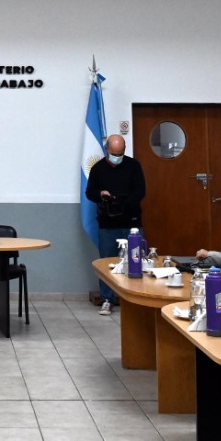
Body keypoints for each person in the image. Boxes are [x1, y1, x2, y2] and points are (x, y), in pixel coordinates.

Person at [84, 134, 146, 316]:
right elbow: (90, 192)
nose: (117, 157)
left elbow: (141, 191)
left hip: (132, 222)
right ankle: (107, 300)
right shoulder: (98, 168)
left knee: (135, 262)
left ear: (124, 150)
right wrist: (101, 194)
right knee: (107, 263)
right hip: (108, 223)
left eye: (120, 153)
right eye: (114, 153)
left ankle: (136, 300)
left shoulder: (134, 166)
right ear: (107, 150)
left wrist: (122, 201)